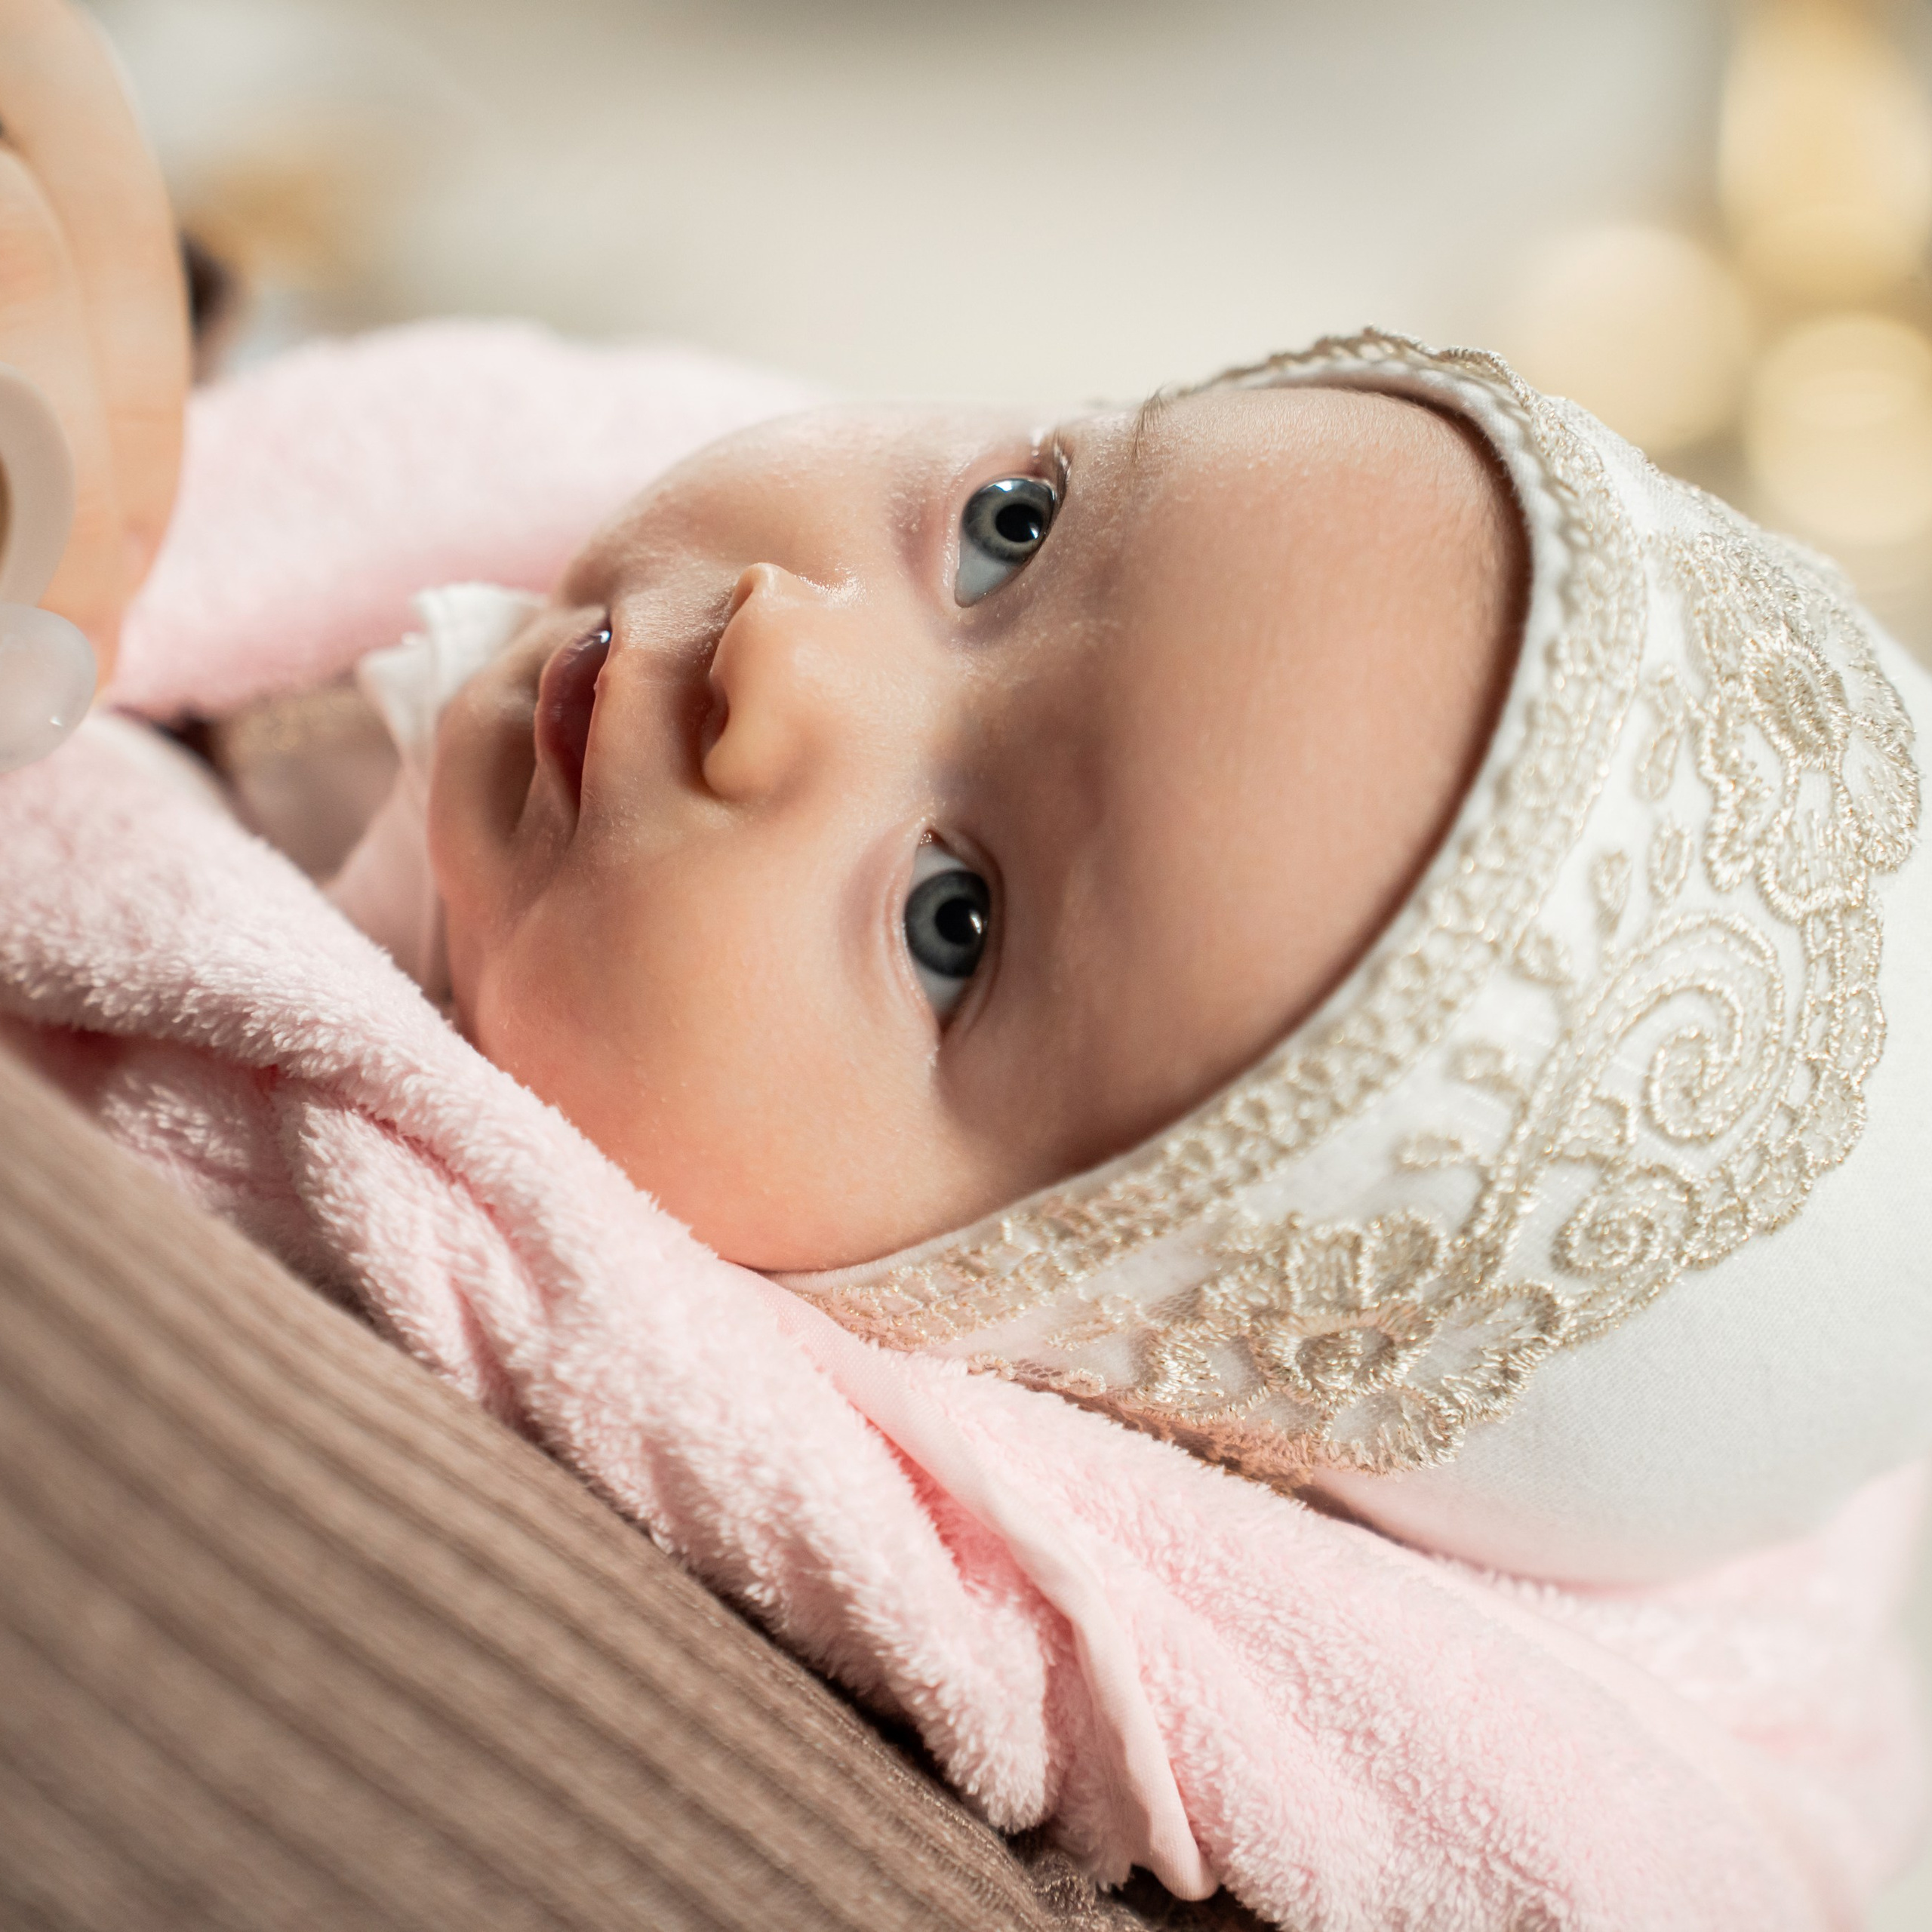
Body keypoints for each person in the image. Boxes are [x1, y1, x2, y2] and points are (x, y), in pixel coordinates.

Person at [9, 0, 1930, 1601]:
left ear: (981, 1338)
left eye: (956, 924)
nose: (788, 656)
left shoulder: (395, 1324)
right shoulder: (482, 471)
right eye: (1012, 528)